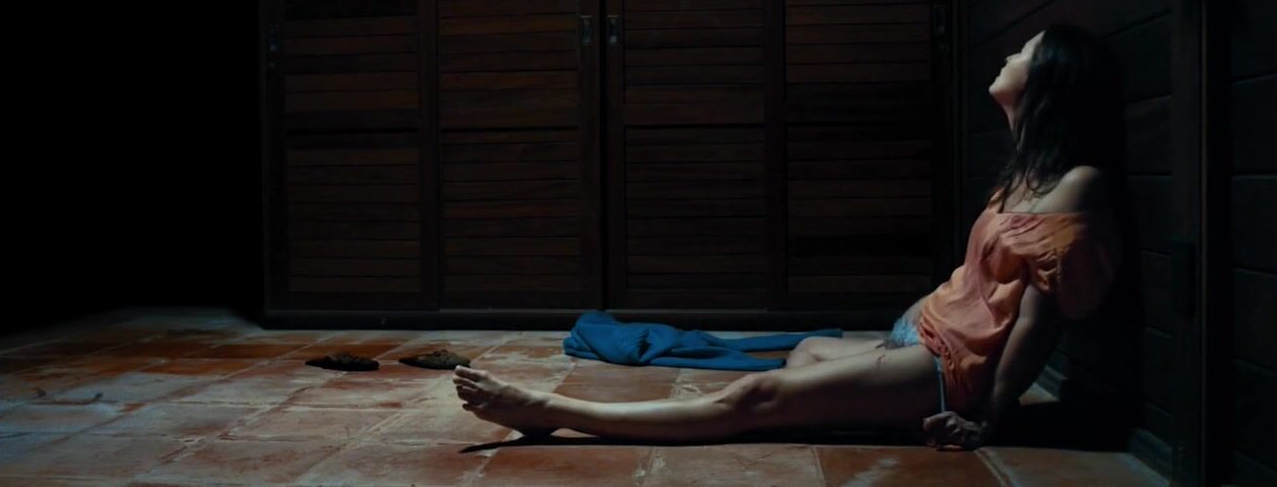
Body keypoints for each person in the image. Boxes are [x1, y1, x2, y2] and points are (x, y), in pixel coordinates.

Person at [451, 23, 1124, 451]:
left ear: (1048, 80)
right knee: (802, 354)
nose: (1009, 52)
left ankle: (551, 411)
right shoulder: (1022, 174)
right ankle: (875, 409)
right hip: (921, 337)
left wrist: (989, 420)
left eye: (1025, 51)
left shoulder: (1076, 184)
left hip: (949, 371)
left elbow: (1037, 321)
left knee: (752, 398)